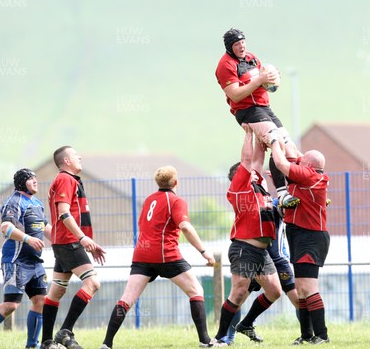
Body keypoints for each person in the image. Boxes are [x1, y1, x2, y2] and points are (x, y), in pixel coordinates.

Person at [100, 166, 219, 348]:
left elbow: (143, 224)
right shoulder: (176, 201)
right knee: (196, 291)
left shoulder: (149, 200)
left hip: (141, 254)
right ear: (176, 182)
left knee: (127, 298)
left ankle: (106, 344)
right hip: (165, 254)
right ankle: (205, 341)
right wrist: (204, 252)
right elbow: (185, 227)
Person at [212, 126, 283, 345]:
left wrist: (263, 142)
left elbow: (257, 162)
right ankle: (220, 338)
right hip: (244, 248)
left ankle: (245, 324)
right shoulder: (239, 187)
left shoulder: (258, 187)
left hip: (261, 252)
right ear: (240, 176)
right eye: (249, 170)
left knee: (274, 291)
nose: (254, 171)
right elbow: (247, 160)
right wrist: (249, 134)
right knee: (239, 291)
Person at [0, 169, 51, 349]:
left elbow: (45, 227)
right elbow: (5, 227)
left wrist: (71, 240)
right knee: (11, 305)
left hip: (35, 263)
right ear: (21, 183)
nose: (36, 181)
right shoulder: (14, 202)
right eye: (31, 178)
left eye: (36, 178)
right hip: (16, 261)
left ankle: (32, 345)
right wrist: (28, 239)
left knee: (41, 301)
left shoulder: (36, 203)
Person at [215, 28, 299, 208]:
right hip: (247, 110)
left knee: (290, 148)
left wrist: (273, 80)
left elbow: (266, 83)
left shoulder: (252, 58)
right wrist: (260, 80)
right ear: (230, 47)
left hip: (264, 107)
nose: (242, 46)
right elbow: (235, 95)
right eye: (237, 44)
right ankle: (282, 193)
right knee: (276, 142)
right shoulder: (225, 66)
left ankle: (298, 190)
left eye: (243, 42)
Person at [265, 129, 330, 345]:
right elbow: (292, 155)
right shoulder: (308, 172)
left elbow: (283, 164)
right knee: (301, 290)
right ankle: (306, 336)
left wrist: (273, 139)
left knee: (309, 287)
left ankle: (322, 336)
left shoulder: (311, 176)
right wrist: (284, 137)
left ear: (308, 167)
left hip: (311, 237)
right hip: (300, 234)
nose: (298, 164)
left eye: (302, 163)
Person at [41, 146, 106, 349]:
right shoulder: (65, 179)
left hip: (64, 242)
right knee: (93, 283)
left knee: (56, 293)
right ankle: (65, 331)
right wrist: (83, 238)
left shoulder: (70, 180)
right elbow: (63, 213)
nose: (80, 156)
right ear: (66, 161)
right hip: (69, 242)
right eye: (75, 154)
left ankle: (46, 342)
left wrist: (86, 240)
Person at [220, 200, 303, 345]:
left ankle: (306, 335)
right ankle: (228, 337)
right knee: (237, 299)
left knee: (298, 299)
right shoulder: (248, 203)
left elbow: (292, 207)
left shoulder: (278, 203)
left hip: (278, 260)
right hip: (255, 257)